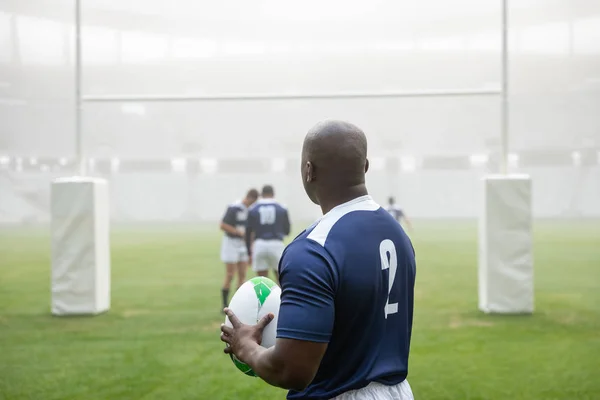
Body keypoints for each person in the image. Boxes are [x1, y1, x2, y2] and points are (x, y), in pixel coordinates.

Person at [221, 120, 416, 399]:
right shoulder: (397, 233)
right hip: (399, 392)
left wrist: (246, 347)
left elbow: (292, 370)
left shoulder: (313, 249)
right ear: (365, 167)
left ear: (309, 170)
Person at [219, 188, 259, 312]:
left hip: (243, 245)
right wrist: (237, 232)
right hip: (231, 243)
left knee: (242, 276)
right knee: (230, 274)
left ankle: (238, 306)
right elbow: (223, 225)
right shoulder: (234, 207)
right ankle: (224, 305)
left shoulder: (251, 211)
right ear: (250, 198)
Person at [245, 185, 291, 284]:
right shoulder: (282, 208)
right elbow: (287, 230)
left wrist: (249, 252)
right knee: (281, 281)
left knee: (262, 283)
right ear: (273, 194)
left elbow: (248, 232)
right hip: (276, 244)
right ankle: (281, 299)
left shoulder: (253, 208)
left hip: (260, 244)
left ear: (262, 194)